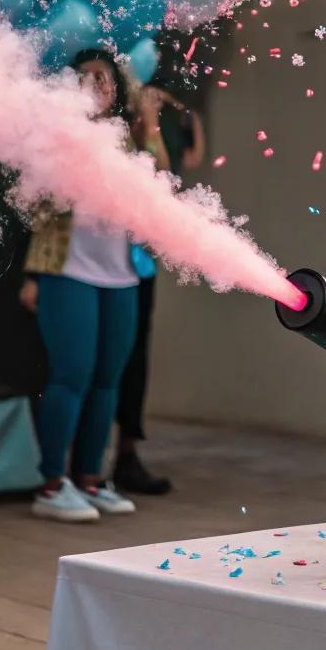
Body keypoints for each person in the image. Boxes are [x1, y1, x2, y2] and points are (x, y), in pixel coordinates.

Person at [21, 48, 170, 522]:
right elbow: (36, 205)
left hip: (121, 275)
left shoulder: (126, 140)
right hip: (67, 271)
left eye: (103, 79)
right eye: (83, 79)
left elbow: (161, 184)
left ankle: (88, 478)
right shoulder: (56, 136)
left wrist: (149, 130)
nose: (94, 86)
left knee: (108, 382)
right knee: (71, 378)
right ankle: (50, 484)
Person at [113, 88, 205, 496]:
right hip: (98, 269)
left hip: (137, 270)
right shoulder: (105, 140)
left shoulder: (147, 140)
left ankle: (125, 456)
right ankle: (81, 468)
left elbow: (168, 175)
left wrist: (155, 124)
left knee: (134, 365)